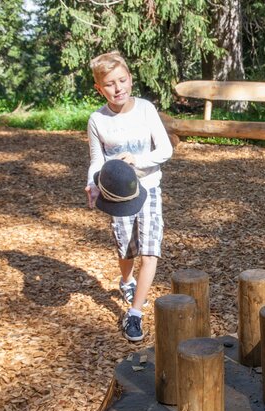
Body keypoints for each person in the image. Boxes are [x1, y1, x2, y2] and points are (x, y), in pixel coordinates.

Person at [84, 51, 173, 342]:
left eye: (122, 80)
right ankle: (127, 279)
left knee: (149, 250)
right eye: (109, 83)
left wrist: (137, 160)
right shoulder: (97, 120)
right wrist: (92, 183)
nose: (118, 87)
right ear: (99, 88)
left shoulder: (146, 109)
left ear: (131, 79)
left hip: (148, 188)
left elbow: (165, 150)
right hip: (118, 197)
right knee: (126, 249)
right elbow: (97, 160)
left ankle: (134, 314)